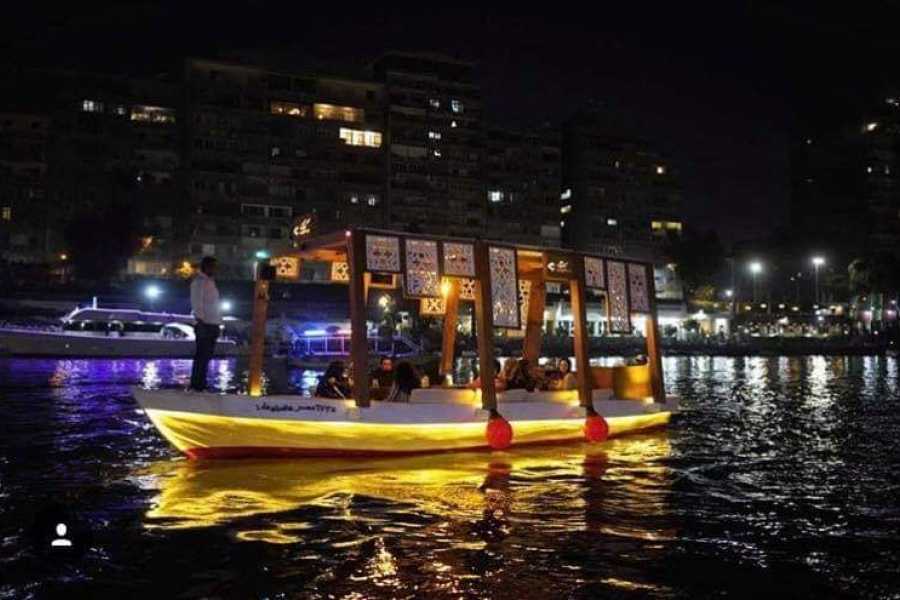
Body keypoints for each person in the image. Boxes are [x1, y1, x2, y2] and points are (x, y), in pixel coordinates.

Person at [189, 256, 221, 391]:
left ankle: (201, 383)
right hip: (205, 324)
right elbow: (197, 302)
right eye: (212, 266)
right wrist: (200, 321)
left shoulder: (209, 281)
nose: (215, 269)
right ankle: (197, 384)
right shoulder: (199, 282)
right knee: (202, 356)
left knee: (206, 356)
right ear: (206, 266)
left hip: (212, 323)